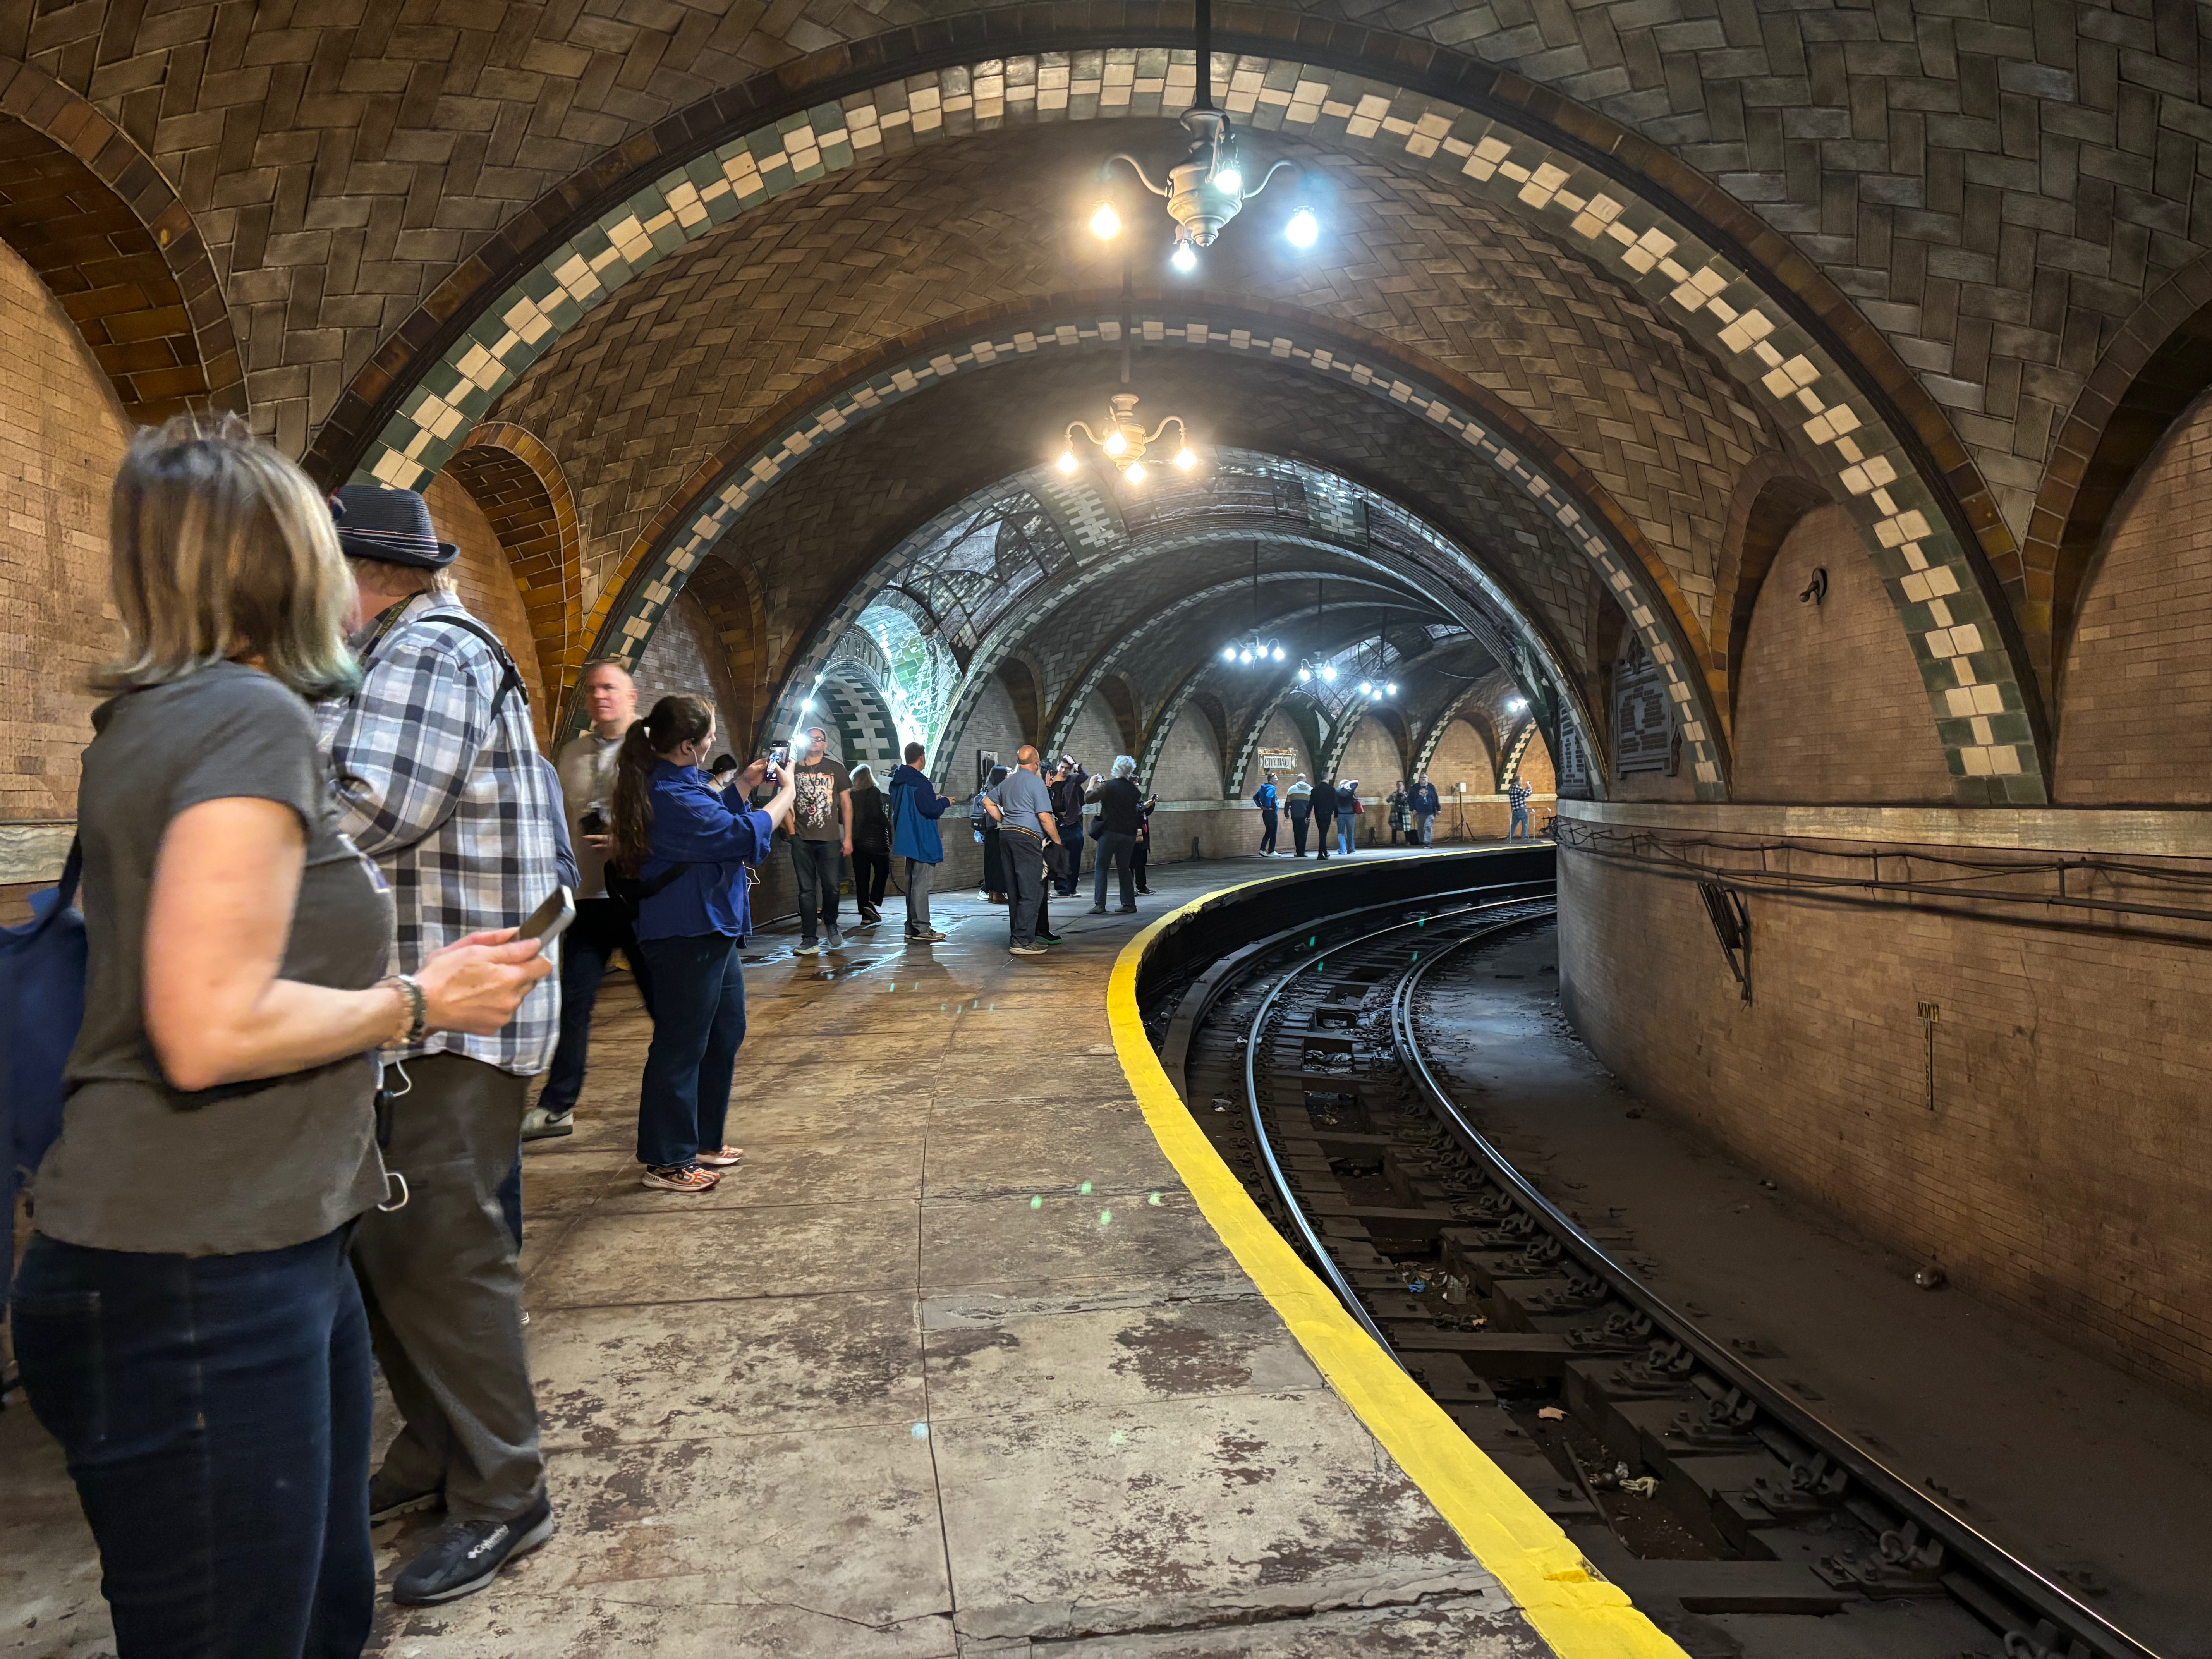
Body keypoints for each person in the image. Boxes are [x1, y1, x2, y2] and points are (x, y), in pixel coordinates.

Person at [11, 417, 550, 1659]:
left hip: (232, 1236)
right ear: (288, 562)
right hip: (204, 1254)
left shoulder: (145, 723)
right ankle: (494, 1486)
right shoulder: (249, 721)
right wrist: (420, 1001)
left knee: (313, 1607)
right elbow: (206, 1029)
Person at [318, 481, 568, 1605]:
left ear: (359, 573)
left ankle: (506, 1490)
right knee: (396, 1251)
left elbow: (369, 807)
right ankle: (434, 1447)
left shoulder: (428, 652)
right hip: (434, 1006)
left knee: (442, 1255)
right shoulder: (411, 651)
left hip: (456, 1016)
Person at [611, 693, 794, 1195]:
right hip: (684, 932)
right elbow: (739, 836)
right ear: (689, 746)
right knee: (681, 1043)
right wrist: (786, 795)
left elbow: (715, 816)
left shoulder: (682, 783)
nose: (716, 740)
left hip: (712, 928)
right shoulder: (669, 796)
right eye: (709, 735)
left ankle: (704, 1141)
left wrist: (743, 785)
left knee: (724, 1032)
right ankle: (667, 1160)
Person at [525, 658, 656, 1142]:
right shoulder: (571, 755)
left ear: (631, 697)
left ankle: (684, 1098)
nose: (601, 696)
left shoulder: (650, 752)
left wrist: (633, 839)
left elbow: (673, 817)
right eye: (594, 689)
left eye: (610, 688)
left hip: (638, 897)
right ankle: (558, 1106)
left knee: (662, 1003)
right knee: (573, 1005)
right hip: (586, 898)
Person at [979, 745, 1065, 956]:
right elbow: (1045, 818)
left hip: (1006, 836)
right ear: (1036, 762)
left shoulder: (1008, 782)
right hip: (1027, 839)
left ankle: (1017, 935)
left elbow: (987, 802)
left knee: (1015, 890)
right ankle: (1022, 941)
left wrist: (1006, 820)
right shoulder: (1037, 783)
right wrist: (1058, 842)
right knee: (1032, 890)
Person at [787, 725, 850, 956]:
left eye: (819, 739)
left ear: (825, 744)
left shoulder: (836, 769)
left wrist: (849, 837)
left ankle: (831, 923)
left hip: (830, 839)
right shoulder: (792, 769)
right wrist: (792, 832)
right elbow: (784, 800)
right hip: (802, 839)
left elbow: (846, 804)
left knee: (832, 887)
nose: (815, 742)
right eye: (811, 738)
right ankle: (810, 938)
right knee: (806, 890)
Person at [889, 742, 950, 942]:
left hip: (908, 837)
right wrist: (944, 802)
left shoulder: (898, 780)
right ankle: (922, 928)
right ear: (922, 757)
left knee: (912, 883)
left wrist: (933, 800)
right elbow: (930, 810)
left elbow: (916, 804)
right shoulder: (921, 782)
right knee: (922, 885)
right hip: (922, 837)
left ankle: (911, 927)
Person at [1090, 755, 1144, 914]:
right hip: (1128, 835)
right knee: (1124, 868)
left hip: (1110, 833)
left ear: (1116, 768)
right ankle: (1129, 904)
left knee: (1101, 867)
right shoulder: (1134, 790)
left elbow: (1089, 799)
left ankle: (1100, 904)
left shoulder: (1109, 786)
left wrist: (1092, 784)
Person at [848, 762, 891, 925]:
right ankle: (872, 904)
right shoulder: (874, 792)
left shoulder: (851, 795)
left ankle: (865, 914)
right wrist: (886, 822)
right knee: (883, 871)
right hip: (876, 841)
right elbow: (877, 815)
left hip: (857, 842)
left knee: (862, 878)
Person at [1049, 756, 1088, 896]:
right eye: (1062, 767)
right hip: (1059, 824)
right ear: (1058, 768)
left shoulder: (1073, 780)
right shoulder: (1052, 782)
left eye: (1067, 768)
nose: (1064, 770)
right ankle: (1062, 889)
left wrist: (1073, 763)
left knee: (1075, 856)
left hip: (1074, 822)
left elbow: (1085, 775)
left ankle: (1072, 888)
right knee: (1060, 857)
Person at [973, 767, 1007, 902]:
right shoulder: (997, 792)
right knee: (999, 863)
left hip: (988, 831)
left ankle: (992, 894)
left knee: (990, 863)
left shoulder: (986, 789)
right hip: (997, 830)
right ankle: (998, 894)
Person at [1131, 789, 1159, 894]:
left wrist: (1151, 804)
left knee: (1141, 863)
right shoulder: (1127, 799)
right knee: (1130, 864)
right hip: (1132, 836)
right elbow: (1135, 812)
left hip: (1142, 837)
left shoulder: (1138, 799)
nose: (1137, 786)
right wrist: (1144, 806)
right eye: (1135, 784)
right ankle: (1129, 889)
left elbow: (1145, 813)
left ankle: (1142, 887)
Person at [1286, 773, 1314, 858]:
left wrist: (1286, 814)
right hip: (1306, 816)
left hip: (1295, 815)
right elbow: (1312, 804)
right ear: (1305, 779)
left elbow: (1287, 803)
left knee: (1297, 833)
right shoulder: (1311, 790)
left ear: (1298, 780)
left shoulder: (1292, 789)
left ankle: (1298, 852)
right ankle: (1303, 852)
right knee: (1304, 833)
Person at [1253, 771, 1279, 855]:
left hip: (1265, 814)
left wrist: (1260, 806)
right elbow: (1269, 796)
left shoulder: (1263, 788)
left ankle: (1263, 849)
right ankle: (1271, 851)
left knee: (1269, 831)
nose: (1277, 780)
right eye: (1276, 778)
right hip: (1271, 813)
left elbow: (1255, 797)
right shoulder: (1272, 788)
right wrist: (1268, 806)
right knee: (1273, 832)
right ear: (1271, 779)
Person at [1413, 773, 1441, 845]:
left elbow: (1435, 798)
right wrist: (1412, 809)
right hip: (1420, 811)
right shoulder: (1415, 788)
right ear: (1419, 779)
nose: (1423, 779)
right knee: (1421, 827)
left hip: (1430, 811)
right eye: (1422, 778)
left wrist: (1438, 808)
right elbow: (1411, 799)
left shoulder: (1431, 787)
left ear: (1427, 778)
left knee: (1428, 826)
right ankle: (1422, 841)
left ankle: (1427, 842)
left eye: (1425, 778)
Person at [1336, 779, 1361, 855]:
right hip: (1350, 814)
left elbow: (1335, 803)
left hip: (1340, 814)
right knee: (1351, 833)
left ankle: (1343, 850)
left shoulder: (1337, 791)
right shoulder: (1350, 792)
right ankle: (1351, 850)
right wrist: (1349, 784)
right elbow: (1356, 782)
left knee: (1341, 833)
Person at [1508, 774, 1534, 840]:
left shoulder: (1511, 788)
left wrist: (1525, 790)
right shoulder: (1518, 788)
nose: (1521, 782)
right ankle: (1524, 837)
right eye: (1521, 781)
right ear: (1518, 781)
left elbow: (1520, 795)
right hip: (1521, 809)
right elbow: (1527, 794)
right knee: (1525, 823)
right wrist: (1530, 789)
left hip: (1514, 810)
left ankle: (1510, 837)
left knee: (1514, 824)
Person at [1387, 780, 1409, 845]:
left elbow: (1408, 802)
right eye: (1398, 785)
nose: (1400, 786)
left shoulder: (1406, 794)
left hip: (1404, 812)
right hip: (1396, 812)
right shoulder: (1394, 794)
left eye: (1401, 785)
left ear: (1403, 786)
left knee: (1406, 827)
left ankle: (1407, 841)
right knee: (1394, 827)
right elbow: (1388, 801)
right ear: (1397, 786)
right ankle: (1394, 842)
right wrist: (1392, 797)